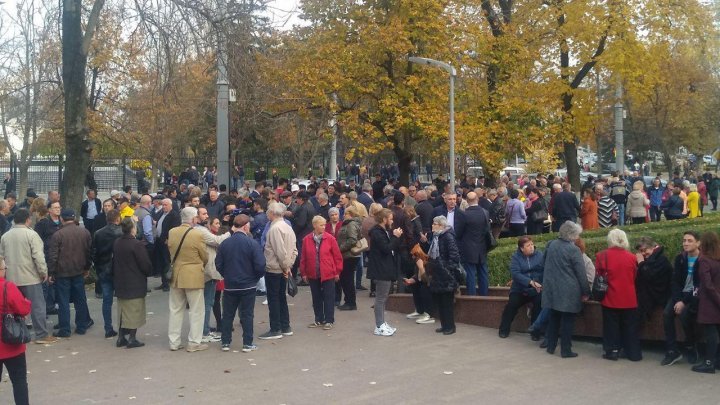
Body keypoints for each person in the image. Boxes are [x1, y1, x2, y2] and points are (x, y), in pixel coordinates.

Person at [0, 209, 57, 344]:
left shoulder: (5, 236)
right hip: (30, 277)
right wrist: (44, 272)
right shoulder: (32, 235)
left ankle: (15, 332)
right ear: (28, 220)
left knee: (13, 307)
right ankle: (41, 334)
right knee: (37, 306)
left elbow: (1, 256)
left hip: (11, 277)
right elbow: (38, 256)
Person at [215, 214, 266, 353]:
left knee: (228, 314)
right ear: (245, 226)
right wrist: (254, 278)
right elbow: (260, 265)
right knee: (247, 314)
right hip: (248, 284)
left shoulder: (225, 243)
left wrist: (227, 275)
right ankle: (247, 343)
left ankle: (225, 342)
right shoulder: (252, 243)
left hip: (230, 284)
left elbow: (218, 263)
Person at [541, 221, 589, 358]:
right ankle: (566, 350)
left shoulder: (551, 244)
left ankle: (551, 346)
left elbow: (542, 264)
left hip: (552, 287)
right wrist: (586, 291)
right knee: (568, 321)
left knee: (554, 317)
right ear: (572, 235)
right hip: (569, 290)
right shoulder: (574, 250)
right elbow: (581, 273)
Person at [595, 229, 642, 361]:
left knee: (611, 326)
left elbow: (598, 275)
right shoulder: (632, 257)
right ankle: (633, 353)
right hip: (629, 297)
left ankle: (612, 350)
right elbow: (635, 276)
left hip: (611, 296)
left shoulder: (602, 255)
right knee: (630, 327)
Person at [167, 207, 209, 352]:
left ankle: (174, 342)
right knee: (196, 310)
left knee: (175, 309)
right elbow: (204, 255)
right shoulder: (197, 234)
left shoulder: (172, 232)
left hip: (176, 274)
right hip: (193, 274)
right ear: (192, 219)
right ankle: (194, 342)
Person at [48, 208, 94, 338]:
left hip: (62, 272)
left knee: (63, 301)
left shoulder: (58, 235)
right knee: (80, 299)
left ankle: (65, 329)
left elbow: (53, 256)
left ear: (62, 219)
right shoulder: (84, 232)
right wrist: (86, 267)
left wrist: (51, 273)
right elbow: (89, 252)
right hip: (79, 271)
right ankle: (81, 326)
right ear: (74, 219)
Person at [661, 231, 701, 366]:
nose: (686, 243)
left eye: (690, 240)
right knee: (667, 313)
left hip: (695, 296)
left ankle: (691, 346)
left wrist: (684, 302)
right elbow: (675, 281)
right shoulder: (680, 258)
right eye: (684, 240)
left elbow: (699, 285)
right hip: (680, 295)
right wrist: (678, 300)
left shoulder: (703, 260)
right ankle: (672, 350)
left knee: (685, 315)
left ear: (698, 243)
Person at [113, 218, 153, 348]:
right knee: (135, 310)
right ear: (133, 228)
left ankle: (120, 337)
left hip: (120, 280)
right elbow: (145, 264)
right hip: (135, 281)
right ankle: (132, 338)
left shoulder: (117, 242)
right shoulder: (136, 244)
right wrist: (148, 272)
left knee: (122, 310)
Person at [261, 202, 298, 340]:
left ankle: (275, 328)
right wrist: (289, 265)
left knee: (274, 299)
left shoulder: (275, 228)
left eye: (268, 211)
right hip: (284, 267)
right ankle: (285, 326)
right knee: (281, 297)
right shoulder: (287, 227)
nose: (267, 213)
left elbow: (279, 252)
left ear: (272, 213)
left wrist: (285, 267)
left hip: (275, 269)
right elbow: (294, 249)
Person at [194, 208, 230, 343]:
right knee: (207, 302)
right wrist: (230, 232)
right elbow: (217, 241)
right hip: (208, 271)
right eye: (204, 214)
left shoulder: (197, 230)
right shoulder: (201, 230)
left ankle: (204, 329)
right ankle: (204, 332)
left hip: (204, 270)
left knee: (206, 302)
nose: (206, 216)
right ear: (195, 217)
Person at [300, 216, 343, 330]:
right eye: (321, 225)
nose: (324, 227)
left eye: (324, 225)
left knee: (329, 297)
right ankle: (318, 319)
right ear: (314, 225)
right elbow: (303, 257)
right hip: (313, 273)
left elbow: (337, 257)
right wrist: (303, 273)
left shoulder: (330, 239)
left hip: (328, 272)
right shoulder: (306, 239)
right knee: (316, 297)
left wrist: (337, 271)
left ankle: (329, 320)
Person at [499, 236, 543, 339]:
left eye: (532, 244)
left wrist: (539, 283)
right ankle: (504, 329)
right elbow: (516, 274)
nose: (532, 247)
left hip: (536, 288)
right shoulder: (516, 257)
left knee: (539, 302)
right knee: (512, 304)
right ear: (522, 248)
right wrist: (529, 282)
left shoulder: (540, 255)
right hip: (520, 288)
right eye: (528, 245)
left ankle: (535, 332)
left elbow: (543, 271)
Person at [0, 256, 31, 404]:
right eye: (3, 268)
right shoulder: (8, 287)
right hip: (11, 343)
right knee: (19, 381)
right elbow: (23, 309)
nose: (5, 270)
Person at [368, 208, 402, 336]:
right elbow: (387, 249)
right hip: (381, 269)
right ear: (384, 219)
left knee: (383, 298)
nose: (392, 220)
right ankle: (379, 325)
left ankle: (381, 322)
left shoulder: (383, 231)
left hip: (385, 267)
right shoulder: (377, 232)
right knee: (381, 298)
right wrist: (395, 237)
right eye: (391, 218)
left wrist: (393, 236)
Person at [92, 209, 123, 338]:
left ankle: (108, 328)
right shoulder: (121, 232)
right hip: (119, 269)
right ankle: (123, 328)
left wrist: (97, 266)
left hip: (103, 269)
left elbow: (94, 252)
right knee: (123, 299)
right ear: (118, 219)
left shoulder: (98, 233)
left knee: (107, 300)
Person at [426, 216, 460, 335]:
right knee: (440, 302)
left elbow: (454, 256)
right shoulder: (436, 237)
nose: (432, 226)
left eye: (435, 224)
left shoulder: (448, 237)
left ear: (441, 226)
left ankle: (450, 326)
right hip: (438, 275)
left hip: (446, 276)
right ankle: (444, 325)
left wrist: (445, 268)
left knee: (447, 303)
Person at [692, 231, 720, 373]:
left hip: (710, 302)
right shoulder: (717, 258)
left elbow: (707, 284)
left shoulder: (704, 260)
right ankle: (716, 361)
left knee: (711, 334)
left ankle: (708, 362)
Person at [634, 236, 673, 322]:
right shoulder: (650, 259)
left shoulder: (661, 259)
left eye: (645, 250)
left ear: (652, 247)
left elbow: (649, 275)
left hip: (661, 296)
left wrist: (641, 263)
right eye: (641, 251)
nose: (643, 253)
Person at [459, 191, 490, 296]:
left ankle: (471, 297)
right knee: (483, 272)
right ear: (477, 199)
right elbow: (487, 230)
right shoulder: (485, 212)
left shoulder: (463, 214)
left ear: (467, 201)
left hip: (468, 248)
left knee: (470, 274)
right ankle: (484, 296)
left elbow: (459, 233)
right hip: (482, 246)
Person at [336, 206, 362, 311]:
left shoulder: (351, 224)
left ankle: (350, 302)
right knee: (347, 279)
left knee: (347, 279)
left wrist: (339, 249)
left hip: (349, 255)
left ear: (350, 214)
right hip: (348, 255)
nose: (343, 215)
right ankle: (349, 301)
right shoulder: (350, 224)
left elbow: (352, 240)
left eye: (345, 213)